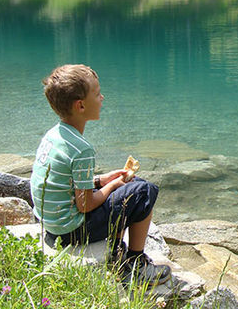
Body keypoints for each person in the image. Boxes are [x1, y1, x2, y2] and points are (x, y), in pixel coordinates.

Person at [29, 64, 171, 287]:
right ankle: (135, 265)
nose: (102, 97)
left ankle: (114, 251)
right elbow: (85, 204)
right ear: (81, 105)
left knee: (133, 186)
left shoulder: (54, 136)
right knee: (144, 191)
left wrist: (100, 180)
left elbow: (63, 181)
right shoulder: (82, 149)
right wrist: (113, 186)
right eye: (97, 93)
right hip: (71, 232)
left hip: (51, 226)